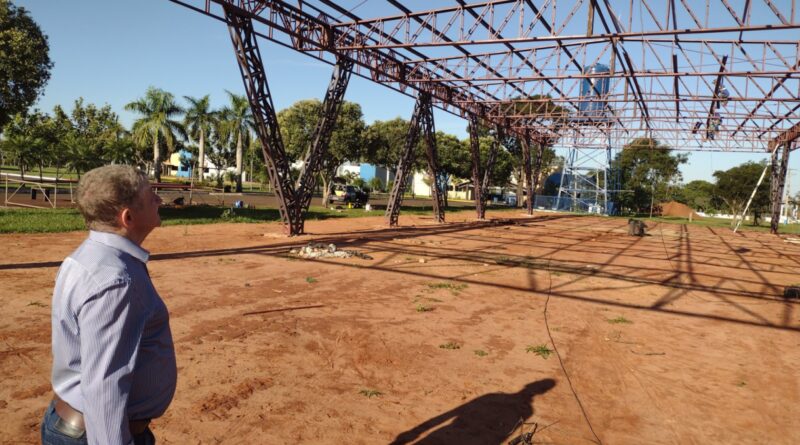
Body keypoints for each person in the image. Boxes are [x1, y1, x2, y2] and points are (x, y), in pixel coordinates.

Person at [41, 165, 176, 445]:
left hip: (77, 425)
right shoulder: (116, 280)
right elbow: (105, 386)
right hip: (98, 433)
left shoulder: (88, 257)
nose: (159, 199)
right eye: (150, 195)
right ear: (128, 217)